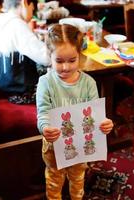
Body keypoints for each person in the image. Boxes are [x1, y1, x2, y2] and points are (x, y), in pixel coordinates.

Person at [36, 23, 114, 200]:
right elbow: (43, 112)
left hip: (80, 144)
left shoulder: (89, 83)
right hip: (54, 145)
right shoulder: (45, 82)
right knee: (54, 178)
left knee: (78, 177)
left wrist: (104, 124)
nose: (65, 67)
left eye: (72, 60)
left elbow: (96, 116)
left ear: (80, 55)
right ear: (50, 56)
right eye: (59, 61)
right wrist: (45, 127)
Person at [0, 0, 50, 104]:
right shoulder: (16, 25)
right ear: (24, 3)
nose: (32, 13)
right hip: (25, 93)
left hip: (6, 87)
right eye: (32, 8)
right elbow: (46, 58)